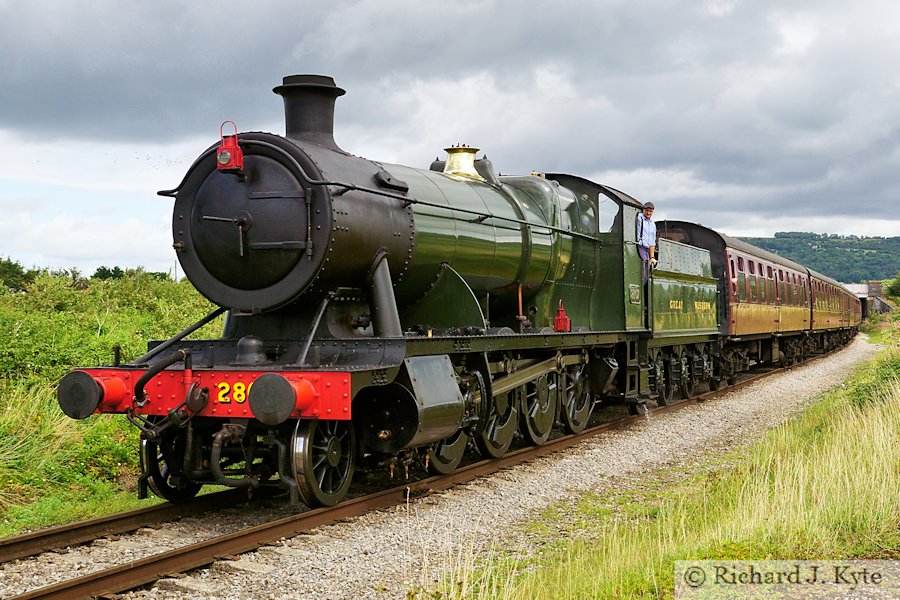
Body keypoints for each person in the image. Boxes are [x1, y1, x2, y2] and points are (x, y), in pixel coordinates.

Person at [637, 201, 657, 282]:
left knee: (647, 273)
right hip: (640, 247)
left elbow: (652, 242)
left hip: (647, 250)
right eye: (646, 210)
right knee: (643, 274)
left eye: (650, 211)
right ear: (643, 210)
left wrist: (652, 257)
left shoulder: (653, 224)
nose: (648, 213)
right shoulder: (639, 218)